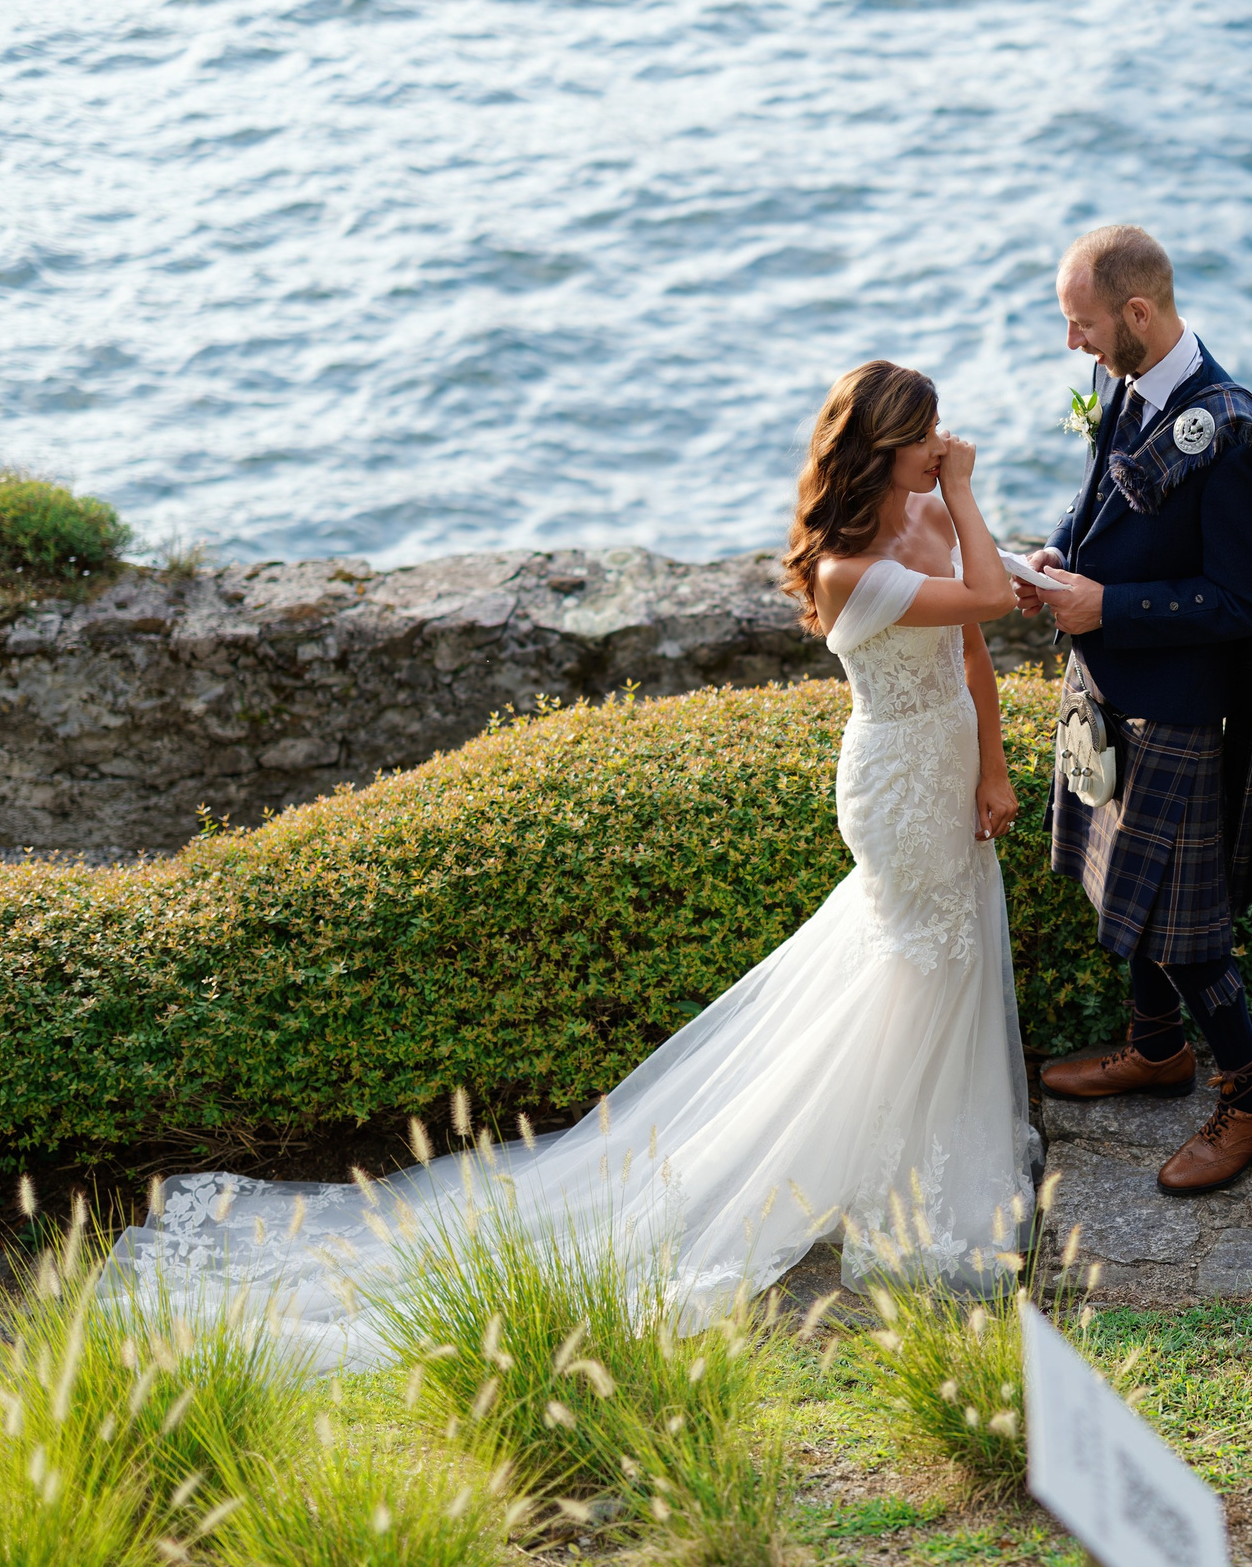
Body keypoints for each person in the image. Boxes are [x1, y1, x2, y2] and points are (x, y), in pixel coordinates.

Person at [104, 361, 1039, 1365]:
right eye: (926, 432)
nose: (943, 444)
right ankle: (886, 1175)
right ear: (882, 448)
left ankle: (914, 1159)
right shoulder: (850, 569)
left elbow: (973, 651)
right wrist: (966, 491)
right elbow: (987, 596)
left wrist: (991, 767)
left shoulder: (924, 517)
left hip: (949, 765)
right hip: (895, 785)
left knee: (950, 958)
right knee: (916, 961)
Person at [1014, 225, 1252, 1197]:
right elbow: (1102, 496)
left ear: (1136, 315)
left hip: (1178, 711)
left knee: (1183, 934)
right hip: (1110, 688)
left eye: (1083, 324)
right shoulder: (1125, 383)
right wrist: (1061, 557)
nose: (1075, 344)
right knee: (1117, 895)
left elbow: (1249, 603)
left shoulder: (1226, 436)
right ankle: (1154, 1050)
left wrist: (1112, 607)